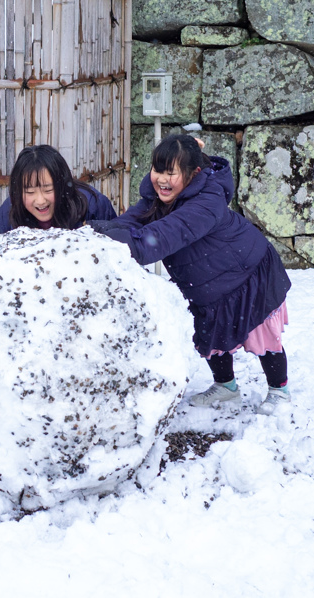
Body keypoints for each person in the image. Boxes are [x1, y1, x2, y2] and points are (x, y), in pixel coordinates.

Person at [89, 134, 292, 414]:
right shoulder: (160, 198)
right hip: (208, 283)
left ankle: (279, 391)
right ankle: (226, 387)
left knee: (261, 335)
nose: (161, 179)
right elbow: (132, 222)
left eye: (170, 173)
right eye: (158, 170)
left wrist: (104, 238)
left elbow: (154, 240)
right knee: (210, 336)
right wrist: (95, 233)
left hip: (248, 273)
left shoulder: (205, 205)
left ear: (193, 173)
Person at [0, 144, 117, 235]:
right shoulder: (8, 216)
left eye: (48, 190)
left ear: (62, 185)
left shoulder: (93, 206)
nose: (40, 201)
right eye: (30, 192)